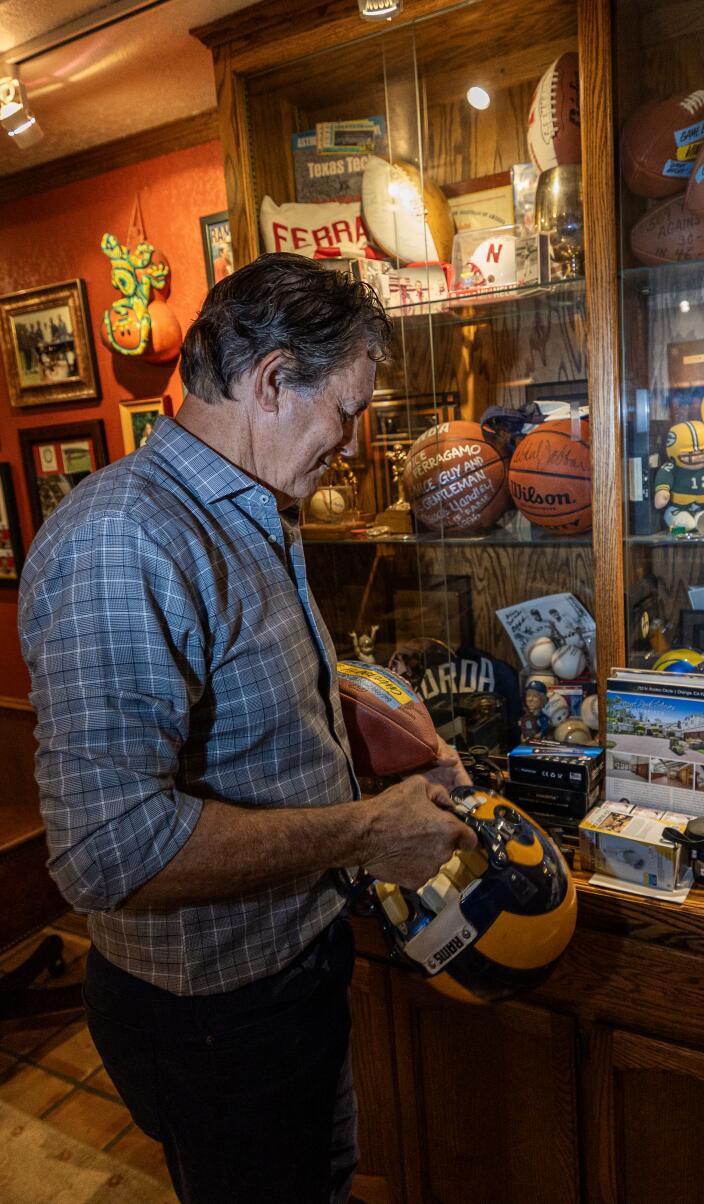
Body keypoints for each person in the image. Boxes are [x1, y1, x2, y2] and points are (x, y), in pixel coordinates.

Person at [17, 252, 476, 1204]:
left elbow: (255, 712)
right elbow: (109, 851)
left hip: (291, 971)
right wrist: (366, 830)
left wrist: (396, 747)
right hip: (216, 1016)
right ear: (271, 381)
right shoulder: (125, 537)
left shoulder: (246, 507)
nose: (351, 446)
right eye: (346, 411)